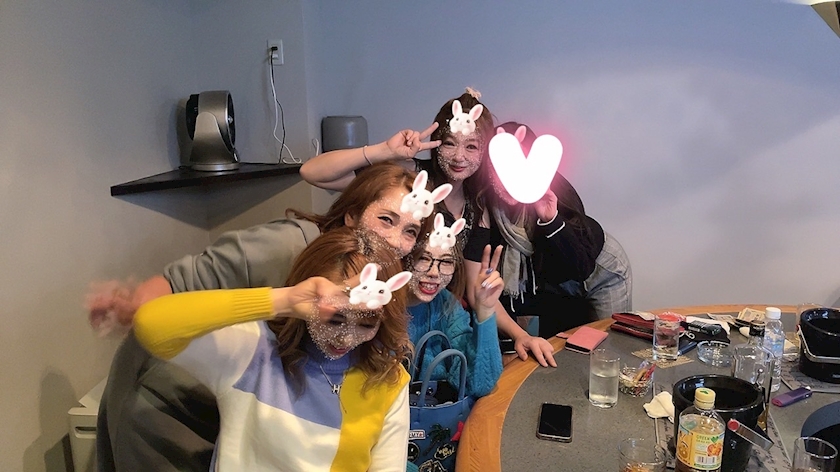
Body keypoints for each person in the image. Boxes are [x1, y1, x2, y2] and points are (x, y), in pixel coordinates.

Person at [91, 162, 431, 472]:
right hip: (170, 393)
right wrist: (284, 300)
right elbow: (166, 303)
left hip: (225, 405)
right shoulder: (282, 262)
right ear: (351, 215)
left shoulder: (387, 380)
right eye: (386, 219)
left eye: (411, 231)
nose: (395, 241)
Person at [299, 89, 557, 368]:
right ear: (436, 144)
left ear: (484, 152)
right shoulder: (411, 181)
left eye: (471, 147)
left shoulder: (477, 205)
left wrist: (521, 335)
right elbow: (312, 173)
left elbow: (475, 288)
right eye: (449, 144)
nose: (459, 156)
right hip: (377, 305)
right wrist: (384, 151)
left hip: (433, 316)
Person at [133, 227, 412, 471]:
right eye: (334, 319)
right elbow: (151, 324)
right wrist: (284, 300)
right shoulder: (251, 350)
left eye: (366, 324)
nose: (345, 338)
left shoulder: (389, 381)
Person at [463, 121, 632, 338]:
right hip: (553, 278)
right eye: (500, 169)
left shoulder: (550, 186)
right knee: (564, 345)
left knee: (609, 342)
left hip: (599, 269)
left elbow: (579, 267)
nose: (510, 179)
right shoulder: (486, 204)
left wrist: (550, 219)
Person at [405, 220, 504, 398]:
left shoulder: (447, 304)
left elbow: (479, 384)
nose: (434, 273)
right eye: (423, 258)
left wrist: (485, 309)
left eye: (446, 261)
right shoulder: (377, 305)